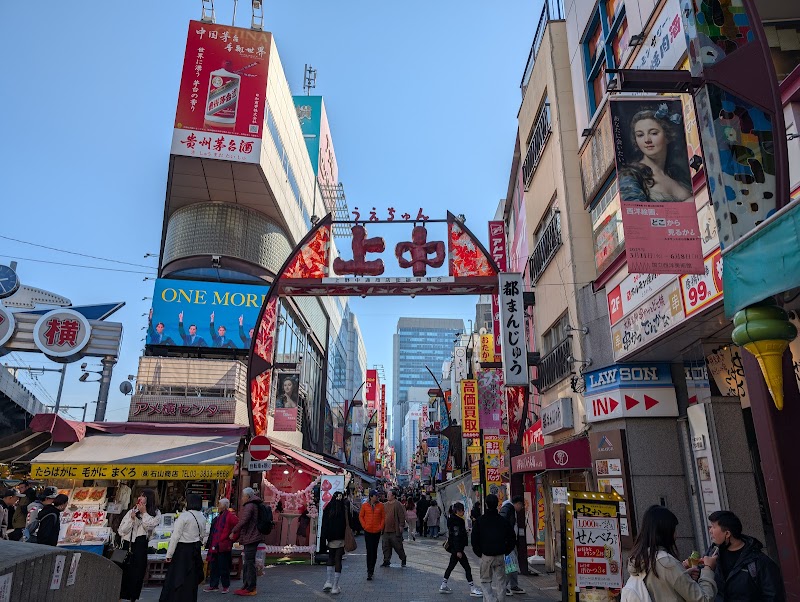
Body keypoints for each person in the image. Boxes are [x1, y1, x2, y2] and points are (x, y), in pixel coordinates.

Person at [628, 505, 717, 601]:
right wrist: (708, 569)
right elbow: (703, 599)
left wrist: (683, 575)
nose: (676, 536)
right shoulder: (667, 563)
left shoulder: (641, 559)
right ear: (665, 532)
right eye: (673, 530)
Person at [618, 104, 693, 203]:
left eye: (653, 133)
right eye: (640, 135)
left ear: (667, 135)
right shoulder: (631, 176)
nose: (647, 140)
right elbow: (636, 214)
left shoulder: (679, 174)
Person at [704, 510, 785, 601]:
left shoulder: (758, 562)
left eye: (713, 527)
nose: (710, 530)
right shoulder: (712, 554)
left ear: (727, 533)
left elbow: (774, 596)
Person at [160, 493, 207, 602]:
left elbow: (175, 536)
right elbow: (203, 536)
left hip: (182, 550)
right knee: (191, 579)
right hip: (195, 550)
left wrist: (169, 554)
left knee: (178, 577)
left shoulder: (184, 516)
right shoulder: (202, 517)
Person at [119, 489, 161, 602]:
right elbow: (121, 530)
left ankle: (133, 597)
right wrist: (132, 519)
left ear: (148, 498)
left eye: (143, 496)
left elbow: (149, 526)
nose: (140, 498)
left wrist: (143, 513)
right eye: (140, 495)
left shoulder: (155, 513)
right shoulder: (132, 511)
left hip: (141, 544)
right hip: (128, 544)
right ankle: (121, 595)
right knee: (124, 570)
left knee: (137, 572)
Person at [471, 494, 516, 602]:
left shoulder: (480, 521)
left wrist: (479, 553)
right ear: (497, 505)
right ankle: (500, 600)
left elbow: (474, 539)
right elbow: (512, 537)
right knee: (501, 581)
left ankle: (491, 600)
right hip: (500, 555)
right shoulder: (502, 521)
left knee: (485, 581)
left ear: (486, 504)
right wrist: (506, 550)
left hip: (486, 556)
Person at [440, 502, 482, 597]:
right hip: (458, 550)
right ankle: (472, 588)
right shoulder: (458, 521)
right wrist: (458, 550)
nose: (463, 512)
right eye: (462, 510)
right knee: (467, 568)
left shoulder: (451, 519)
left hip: (454, 548)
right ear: (457, 511)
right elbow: (456, 536)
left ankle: (443, 585)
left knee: (451, 566)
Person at [229, 487, 265, 596]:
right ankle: (246, 586)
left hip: (251, 537)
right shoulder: (255, 504)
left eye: (243, 496)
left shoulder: (250, 505)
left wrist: (233, 531)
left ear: (247, 496)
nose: (242, 498)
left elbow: (243, 521)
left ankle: (250, 587)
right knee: (248, 563)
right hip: (252, 536)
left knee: (249, 563)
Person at [204, 498, 238, 594]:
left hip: (224, 544)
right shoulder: (219, 517)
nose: (218, 506)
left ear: (224, 506)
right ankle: (214, 585)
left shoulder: (230, 516)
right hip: (216, 544)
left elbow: (238, 526)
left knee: (224, 567)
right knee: (214, 566)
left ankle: (225, 586)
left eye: (219, 504)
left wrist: (233, 536)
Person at [320, 491, 349, 595]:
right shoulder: (343, 508)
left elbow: (324, 524)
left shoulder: (328, 508)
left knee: (330, 558)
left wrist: (324, 538)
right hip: (341, 538)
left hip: (330, 538)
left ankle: (328, 581)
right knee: (338, 560)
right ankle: (335, 586)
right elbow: (349, 522)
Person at [499, 495, 525, 596]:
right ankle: (504, 587)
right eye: (521, 506)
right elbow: (504, 526)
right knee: (510, 565)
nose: (521, 508)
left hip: (511, 542)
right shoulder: (507, 509)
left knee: (513, 564)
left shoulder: (509, 509)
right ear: (518, 504)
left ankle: (513, 585)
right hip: (508, 543)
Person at [359, 489, 385, 581]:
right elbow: (361, 516)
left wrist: (380, 527)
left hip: (376, 531)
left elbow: (383, 517)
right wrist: (365, 526)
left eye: (377, 495)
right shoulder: (365, 506)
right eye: (375, 495)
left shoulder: (381, 506)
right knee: (369, 550)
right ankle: (369, 571)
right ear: (371, 496)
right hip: (368, 531)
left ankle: (372, 568)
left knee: (374, 551)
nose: (377, 497)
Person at [381, 488, 408, 567]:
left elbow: (401, 516)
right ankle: (386, 560)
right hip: (385, 529)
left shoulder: (397, 504)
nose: (387, 496)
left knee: (398, 546)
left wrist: (401, 525)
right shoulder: (385, 505)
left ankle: (403, 558)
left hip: (394, 530)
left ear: (393, 496)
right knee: (385, 546)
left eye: (389, 495)